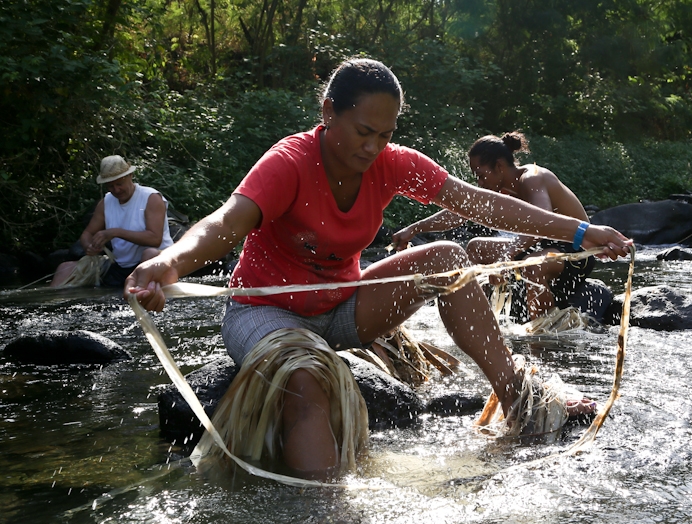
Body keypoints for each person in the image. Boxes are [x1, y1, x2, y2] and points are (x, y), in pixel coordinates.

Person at [125, 58, 633, 478]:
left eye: (384, 135)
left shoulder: (392, 162)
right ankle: (328, 519)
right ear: (328, 111)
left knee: (449, 259)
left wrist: (581, 233)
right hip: (266, 313)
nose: (373, 148)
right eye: (363, 131)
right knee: (306, 377)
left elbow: (478, 202)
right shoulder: (288, 163)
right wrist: (165, 265)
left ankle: (521, 400)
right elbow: (224, 224)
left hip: (344, 309)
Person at [392, 132, 595, 320]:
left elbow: (544, 223)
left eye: (481, 175)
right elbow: (460, 211)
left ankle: (543, 334)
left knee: (533, 266)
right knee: (475, 247)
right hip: (541, 247)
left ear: (499, 166)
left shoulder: (532, 178)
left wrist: (505, 256)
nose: (479, 182)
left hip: (576, 251)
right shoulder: (501, 188)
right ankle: (478, 318)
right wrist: (414, 228)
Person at [51, 155, 174, 287]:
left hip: (156, 259)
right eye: (111, 186)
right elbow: (87, 233)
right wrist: (89, 247)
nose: (116, 190)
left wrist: (115, 232)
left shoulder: (151, 197)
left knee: (149, 253)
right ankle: (50, 303)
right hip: (120, 265)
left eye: (119, 184)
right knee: (65, 268)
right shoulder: (106, 202)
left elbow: (155, 239)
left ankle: (142, 291)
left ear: (130, 176)